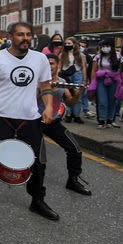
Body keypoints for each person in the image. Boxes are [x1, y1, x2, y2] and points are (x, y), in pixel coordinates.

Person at [0, 22, 58, 220]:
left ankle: (37, 200)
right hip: (1, 117)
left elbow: (46, 85)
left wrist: (48, 107)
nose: (25, 38)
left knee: (39, 162)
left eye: (28, 35)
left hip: (30, 118)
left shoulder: (40, 59)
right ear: (11, 36)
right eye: (21, 34)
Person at [41, 54, 90, 195]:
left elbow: (70, 102)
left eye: (52, 63)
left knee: (74, 149)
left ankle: (73, 181)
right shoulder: (37, 80)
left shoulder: (63, 82)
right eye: (46, 63)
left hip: (53, 122)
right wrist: (46, 87)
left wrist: (78, 93)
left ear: (58, 66)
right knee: (39, 156)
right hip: (35, 121)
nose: (49, 66)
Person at [90, 39, 123, 129]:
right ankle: (101, 120)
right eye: (103, 46)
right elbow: (93, 70)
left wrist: (122, 83)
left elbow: (121, 71)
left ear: (111, 47)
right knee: (102, 101)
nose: (105, 48)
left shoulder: (118, 56)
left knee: (112, 100)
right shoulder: (97, 57)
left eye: (107, 46)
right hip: (101, 80)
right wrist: (92, 83)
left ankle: (110, 120)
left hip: (114, 80)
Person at [58, 37, 87, 124]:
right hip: (66, 75)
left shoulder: (81, 55)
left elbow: (84, 68)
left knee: (77, 95)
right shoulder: (62, 55)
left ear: (74, 45)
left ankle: (77, 115)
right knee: (68, 95)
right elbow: (59, 67)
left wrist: (84, 80)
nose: (67, 45)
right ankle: (68, 114)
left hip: (77, 74)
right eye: (66, 43)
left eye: (69, 43)